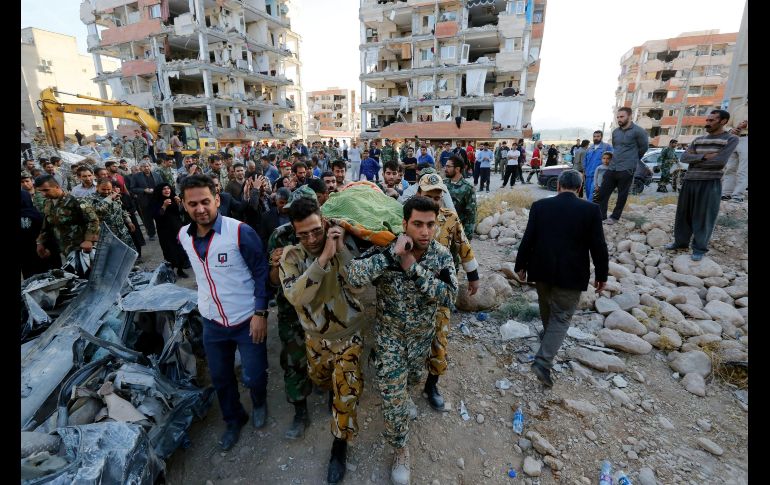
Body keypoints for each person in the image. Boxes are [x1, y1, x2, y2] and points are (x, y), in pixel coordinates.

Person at [347, 196, 458, 485]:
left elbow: (449, 296)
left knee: (412, 380)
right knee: (393, 399)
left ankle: (406, 395)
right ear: (405, 224)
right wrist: (391, 257)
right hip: (390, 340)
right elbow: (354, 276)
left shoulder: (441, 256)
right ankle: (400, 449)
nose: (425, 231)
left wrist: (412, 267)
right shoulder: (386, 249)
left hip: (421, 339)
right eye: (418, 224)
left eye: (430, 225)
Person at [177, 174, 270, 451]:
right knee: (220, 377)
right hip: (212, 322)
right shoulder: (183, 236)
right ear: (184, 205)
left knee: (254, 374)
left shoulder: (240, 232)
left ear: (217, 199)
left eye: (205, 201)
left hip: (246, 319)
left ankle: (259, 402)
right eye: (193, 204)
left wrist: (261, 313)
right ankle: (234, 419)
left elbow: (261, 272)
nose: (200, 209)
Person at [279, 196, 365, 484]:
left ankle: (339, 447)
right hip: (315, 338)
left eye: (316, 231)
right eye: (303, 234)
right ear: (295, 232)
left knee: (346, 393)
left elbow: (359, 287)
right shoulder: (291, 257)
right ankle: (331, 390)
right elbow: (297, 296)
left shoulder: (342, 246)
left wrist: (339, 251)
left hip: (348, 335)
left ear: (324, 222)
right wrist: (323, 258)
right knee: (320, 379)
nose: (312, 239)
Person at [514, 170, 608, 388]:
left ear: (558, 185)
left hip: (541, 269)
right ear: (580, 188)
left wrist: (521, 265)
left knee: (546, 306)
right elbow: (599, 246)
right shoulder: (591, 210)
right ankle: (543, 361)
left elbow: (528, 237)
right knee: (562, 317)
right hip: (572, 273)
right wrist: (602, 275)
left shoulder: (540, 206)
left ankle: (548, 339)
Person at [416, 175, 480, 410]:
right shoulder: (407, 217)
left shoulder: (450, 218)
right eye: (428, 196)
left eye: (437, 197)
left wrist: (473, 276)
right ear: (419, 194)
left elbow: (463, 245)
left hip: (441, 290)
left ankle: (432, 385)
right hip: (413, 290)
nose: (433, 201)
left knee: (439, 337)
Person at [665, 110, 739, 261]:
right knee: (683, 214)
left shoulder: (730, 139)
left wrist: (696, 159)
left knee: (704, 216)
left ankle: (699, 248)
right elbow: (684, 157)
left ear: (723, 121)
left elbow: (720, 161)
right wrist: (704, 156)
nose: (708, 123)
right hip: (689, 180)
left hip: (710, 182)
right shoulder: (698, 139)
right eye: (707, 120)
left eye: (712, 120)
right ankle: (680, 243)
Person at [596, 108, 649, 224]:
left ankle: (615, 217)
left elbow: (644, 148)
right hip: (613, 166)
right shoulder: (616, 132)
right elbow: (616, 147)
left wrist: (632, 159)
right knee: (603, 192)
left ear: (629, 116)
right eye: (618, 117)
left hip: (627, 168)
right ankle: (601, 216)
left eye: (622, 117)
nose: (619, 119)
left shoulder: (639, 131)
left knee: (622, 195)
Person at [35, 175, 100, 266]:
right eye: (40, 191)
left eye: (46, 190)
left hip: (81, 248)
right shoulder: (48, 203)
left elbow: (93, 220)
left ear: (57, 187)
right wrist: (40, 242)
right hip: (64, 248)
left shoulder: (76, 201)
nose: (43, 194)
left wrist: (88, 240)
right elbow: (47, 225)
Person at [151, 182, 191, 276]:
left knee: (180, 249)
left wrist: (178, 203)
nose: (167, 190)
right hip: (165, 231)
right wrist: (164, 206)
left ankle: (180, 270)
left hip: (176, 228)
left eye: (168, 188)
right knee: (169, 251)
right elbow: (157, 215)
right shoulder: (156, 201)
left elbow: (181, 212)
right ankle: (171, 271)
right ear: (160, 191)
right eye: (164, 189)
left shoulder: (174, 198)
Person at [88, 178, 136, 251]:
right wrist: (110, 198)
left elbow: (120, 209)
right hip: (107, 234)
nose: (106, 192)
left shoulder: (114, 195)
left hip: (122, 231)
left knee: (129, 252)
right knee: (114, 254)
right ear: (97, 187)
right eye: (103, 189)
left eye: (109, 189)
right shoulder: (91, 199)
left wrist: (129, 221)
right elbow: (98, 209)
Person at [721, 97, 748, 203]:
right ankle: (726, 193)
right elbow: (727, 125)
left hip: (746, 139)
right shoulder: (738, 108)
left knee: (743, 169)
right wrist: (731, 130)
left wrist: (746, 125)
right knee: (730, 167)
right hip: (734, 139)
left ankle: (738, 195)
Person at [444, 155, 477, 240]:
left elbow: (471, 215)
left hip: (457, 231)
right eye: (445, 166)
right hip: (442, 230)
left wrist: (467, 238)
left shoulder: (468, 188)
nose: (445, 169)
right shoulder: (443, 184)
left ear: (457, 169)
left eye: (448, 166)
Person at [130, 160, 164, 241]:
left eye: (148, 166)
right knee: (148, 218)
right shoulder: (136, 176)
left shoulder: (156, 175)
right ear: (141, 168)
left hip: (156, 199)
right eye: (144, 166)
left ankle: (162, 231)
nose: (146, 168)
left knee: (159, 216)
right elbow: (132, 188)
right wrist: (144, 190)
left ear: (150, 166)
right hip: (144, 201)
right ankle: (151, 234)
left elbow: (162, 185)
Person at [582, 131, 613, 199]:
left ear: (601, 137)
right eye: (594, 136)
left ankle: (591, 205)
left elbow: (613, 159)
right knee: (588, 193)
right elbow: (585, 161)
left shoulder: (607, 147)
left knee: (592, 195)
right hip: (588, 175)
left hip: (599, 176)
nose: (596, 138)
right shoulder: (590, 148)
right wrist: (584, 172)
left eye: (598, 136)